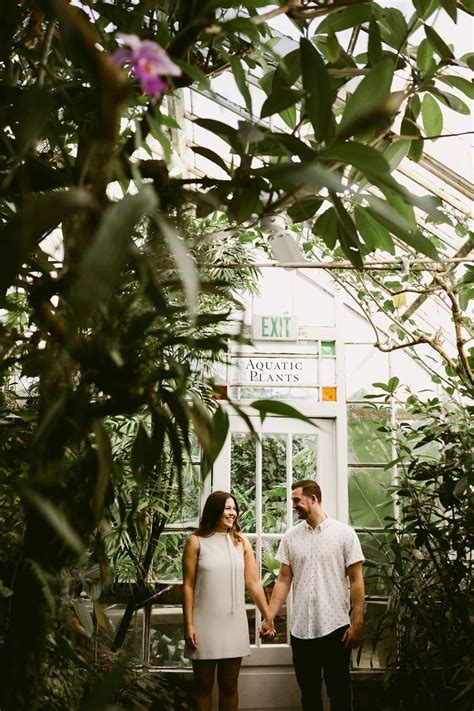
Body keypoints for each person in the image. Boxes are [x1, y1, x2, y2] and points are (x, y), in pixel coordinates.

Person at [260, 479, 365, 711]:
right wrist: (269, 617)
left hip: (336, 629)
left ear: (313, 499)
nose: (293, 505)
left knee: (339, 694)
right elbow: (283, 580)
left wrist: (357, 622)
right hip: (301, 631)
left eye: (297, 500)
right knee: (309, 697)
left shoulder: (345, 534)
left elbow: (357, 581)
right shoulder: (290, 537)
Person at [182, 490, 275, 711]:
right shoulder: (196, 541)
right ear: (214, 510)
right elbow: (187, 585)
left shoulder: (241, 541)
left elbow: (253, 583)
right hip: (203, 623)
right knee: (203, 686)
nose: (232, 513)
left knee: (229, 685)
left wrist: (268, 617)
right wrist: (188, 625)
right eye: (227, 508)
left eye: (234, 508)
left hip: (234, 624)